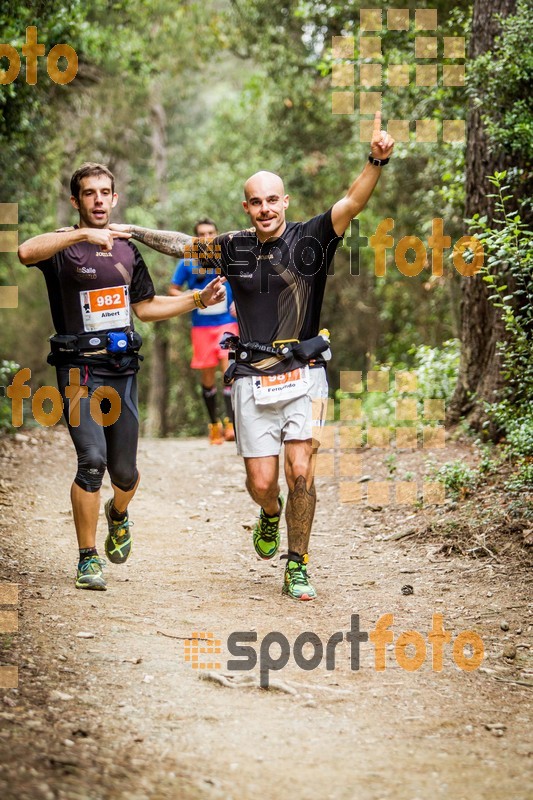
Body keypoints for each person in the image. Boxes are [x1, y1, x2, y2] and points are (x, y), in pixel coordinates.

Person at [111, 112, 394, 601]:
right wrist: (134, 230)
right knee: (263, 482)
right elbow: (183, 245)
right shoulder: (233, 248)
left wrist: (375, 160)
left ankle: (298, 563)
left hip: (303, 370)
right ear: (246, 207)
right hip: (250, 374)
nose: (265, 209)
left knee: (300, 470)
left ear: (285, 201)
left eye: (272, 200)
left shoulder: (312, 238)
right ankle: (268, 513)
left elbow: (352, 201)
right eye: (256, 202)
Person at [17, 162, 225, 592]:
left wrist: (196, 299)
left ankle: (118, 513)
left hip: (122, 370)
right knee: (91, 461)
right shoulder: (62, 247)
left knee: (125, 474)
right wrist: (78, 234)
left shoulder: (129, 251)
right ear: (76, 201)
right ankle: (87, 558)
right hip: (78, 371)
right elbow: (24, 251)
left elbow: (145, 308)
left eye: (104, 192)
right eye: (88, 193)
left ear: (114, 199)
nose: (97, 199)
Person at [169, 217, 238, 445]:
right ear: (195, 239)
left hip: (227, 323)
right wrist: (195, 298)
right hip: (201, 327)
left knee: (229, 370)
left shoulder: (228, 258)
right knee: (207, 377)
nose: (207, 237)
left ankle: (232, 424)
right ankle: (214, 426)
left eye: (211, 233)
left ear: (217, 235)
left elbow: (243, 281)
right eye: (202, 234)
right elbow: (172, 289)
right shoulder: (188, 262)